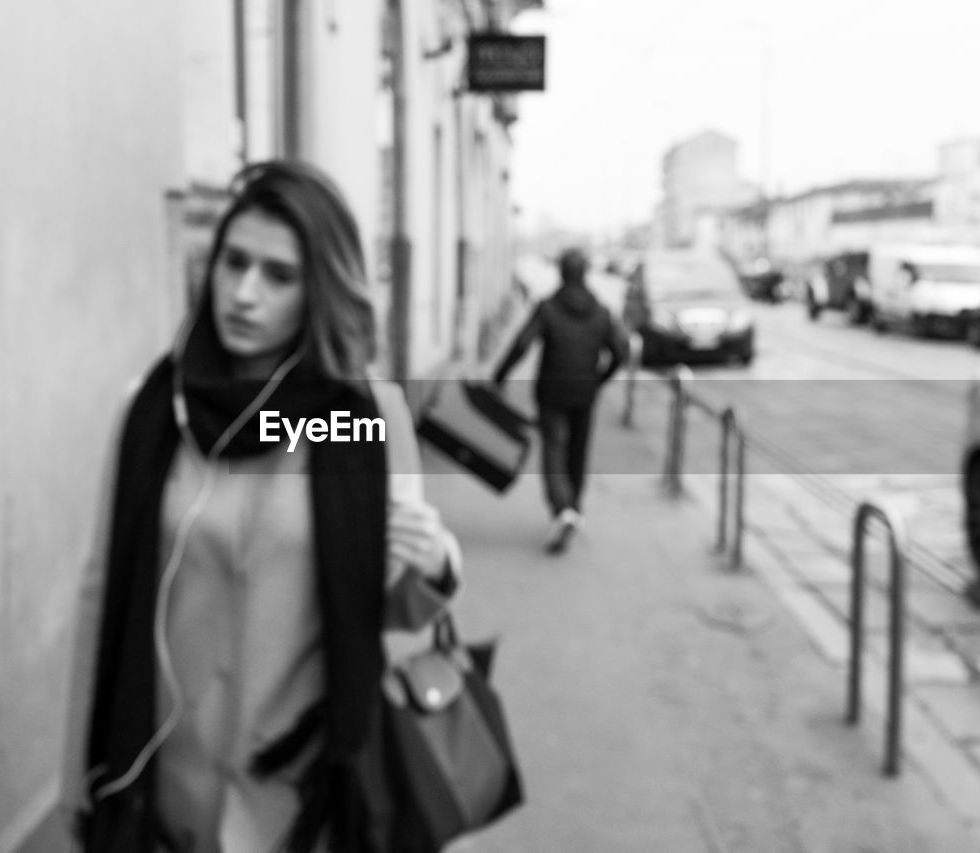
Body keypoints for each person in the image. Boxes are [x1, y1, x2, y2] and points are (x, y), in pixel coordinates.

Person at [60, 160, 462, 852]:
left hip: (303, 798)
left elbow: (386, 603)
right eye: (233, 263)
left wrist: (433, 562)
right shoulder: (157, 411)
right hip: (161, 791)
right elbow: (103, 593)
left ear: (319, 290)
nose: (244, 294)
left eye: (279, 276)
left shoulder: (361, 421)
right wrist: (77, 772)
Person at [492, 248, 628, 554]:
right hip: (585, 393)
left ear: (561, 273)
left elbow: (522, 343)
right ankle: (574, 508)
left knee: (554, 449)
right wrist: (600, 380)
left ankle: (563, 509)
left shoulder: (548, 308)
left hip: (552, 393)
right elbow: (621, 351)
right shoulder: (601, 312)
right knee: (577, 452)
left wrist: (499, 376)